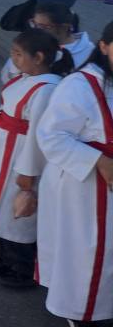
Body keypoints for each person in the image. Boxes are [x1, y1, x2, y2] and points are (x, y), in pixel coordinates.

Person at [35, 21, 113, 325]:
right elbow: (51, 136)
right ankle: (80, 313)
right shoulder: (80, 86)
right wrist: (99, 161)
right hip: (85, 189)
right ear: (103, 47)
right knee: (87, 254)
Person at [0, 29, 71, 289]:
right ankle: (4, 257)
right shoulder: (26, 79)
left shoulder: (46, 90)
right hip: (6, 151)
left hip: (20, 156)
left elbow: (37, 136)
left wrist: (28, 170)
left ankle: (22, 267)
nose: (14, 58)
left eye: (19, 54)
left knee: (18, 211)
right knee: (2, 206)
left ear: (38, 57)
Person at [0, 3, 96, 84]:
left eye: (43, 26)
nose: (36, 30)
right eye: (34, 23)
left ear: (64, 27)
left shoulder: (89, 53)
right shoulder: (30, 43)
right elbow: (7, 75)